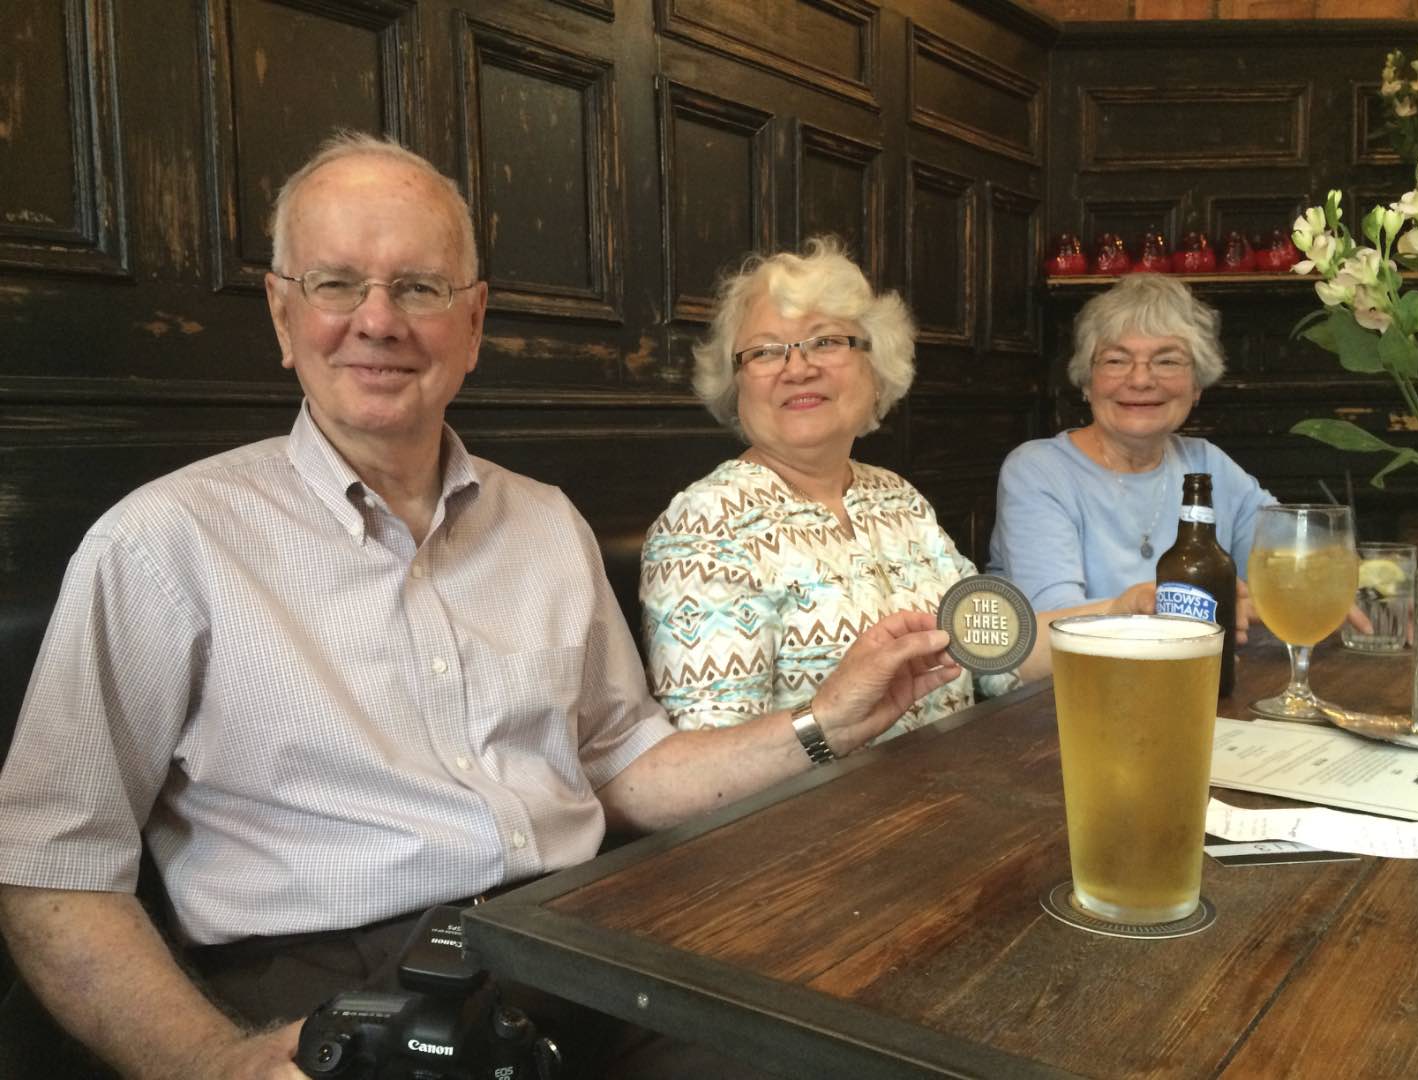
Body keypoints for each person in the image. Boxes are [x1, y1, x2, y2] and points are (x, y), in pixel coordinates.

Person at [0, 136, 964, 1080]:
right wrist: (212, 1060)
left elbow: (628, 771)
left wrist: (825, 723)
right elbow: (47, 867)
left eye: (420, 287)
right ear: (283, 316)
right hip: (323, 985)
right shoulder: (163, 542)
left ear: (473, 322)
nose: (378, 320)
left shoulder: (545, 523)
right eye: (336, 284)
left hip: (581, 943)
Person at [641, 238, 1152, 742]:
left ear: (877, 368)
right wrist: (827, 719)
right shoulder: (706, 526)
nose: (797, 368)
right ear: (737, 384)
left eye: (826, 341)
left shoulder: (896, 498)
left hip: (949, 782)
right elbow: (716, 765)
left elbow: (994, 654)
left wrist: (1118, 613)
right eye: (766, 351)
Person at [987, 273, 1274, 613]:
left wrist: (1276, 597)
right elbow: (1051, 616)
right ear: (1087, 382)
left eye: (1167, 361)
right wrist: (1162, 608)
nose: (1140, 380)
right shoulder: (1039, 471)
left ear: (1197, 385)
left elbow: (1285, 570)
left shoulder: (1208, 464)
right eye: (1116, 360)